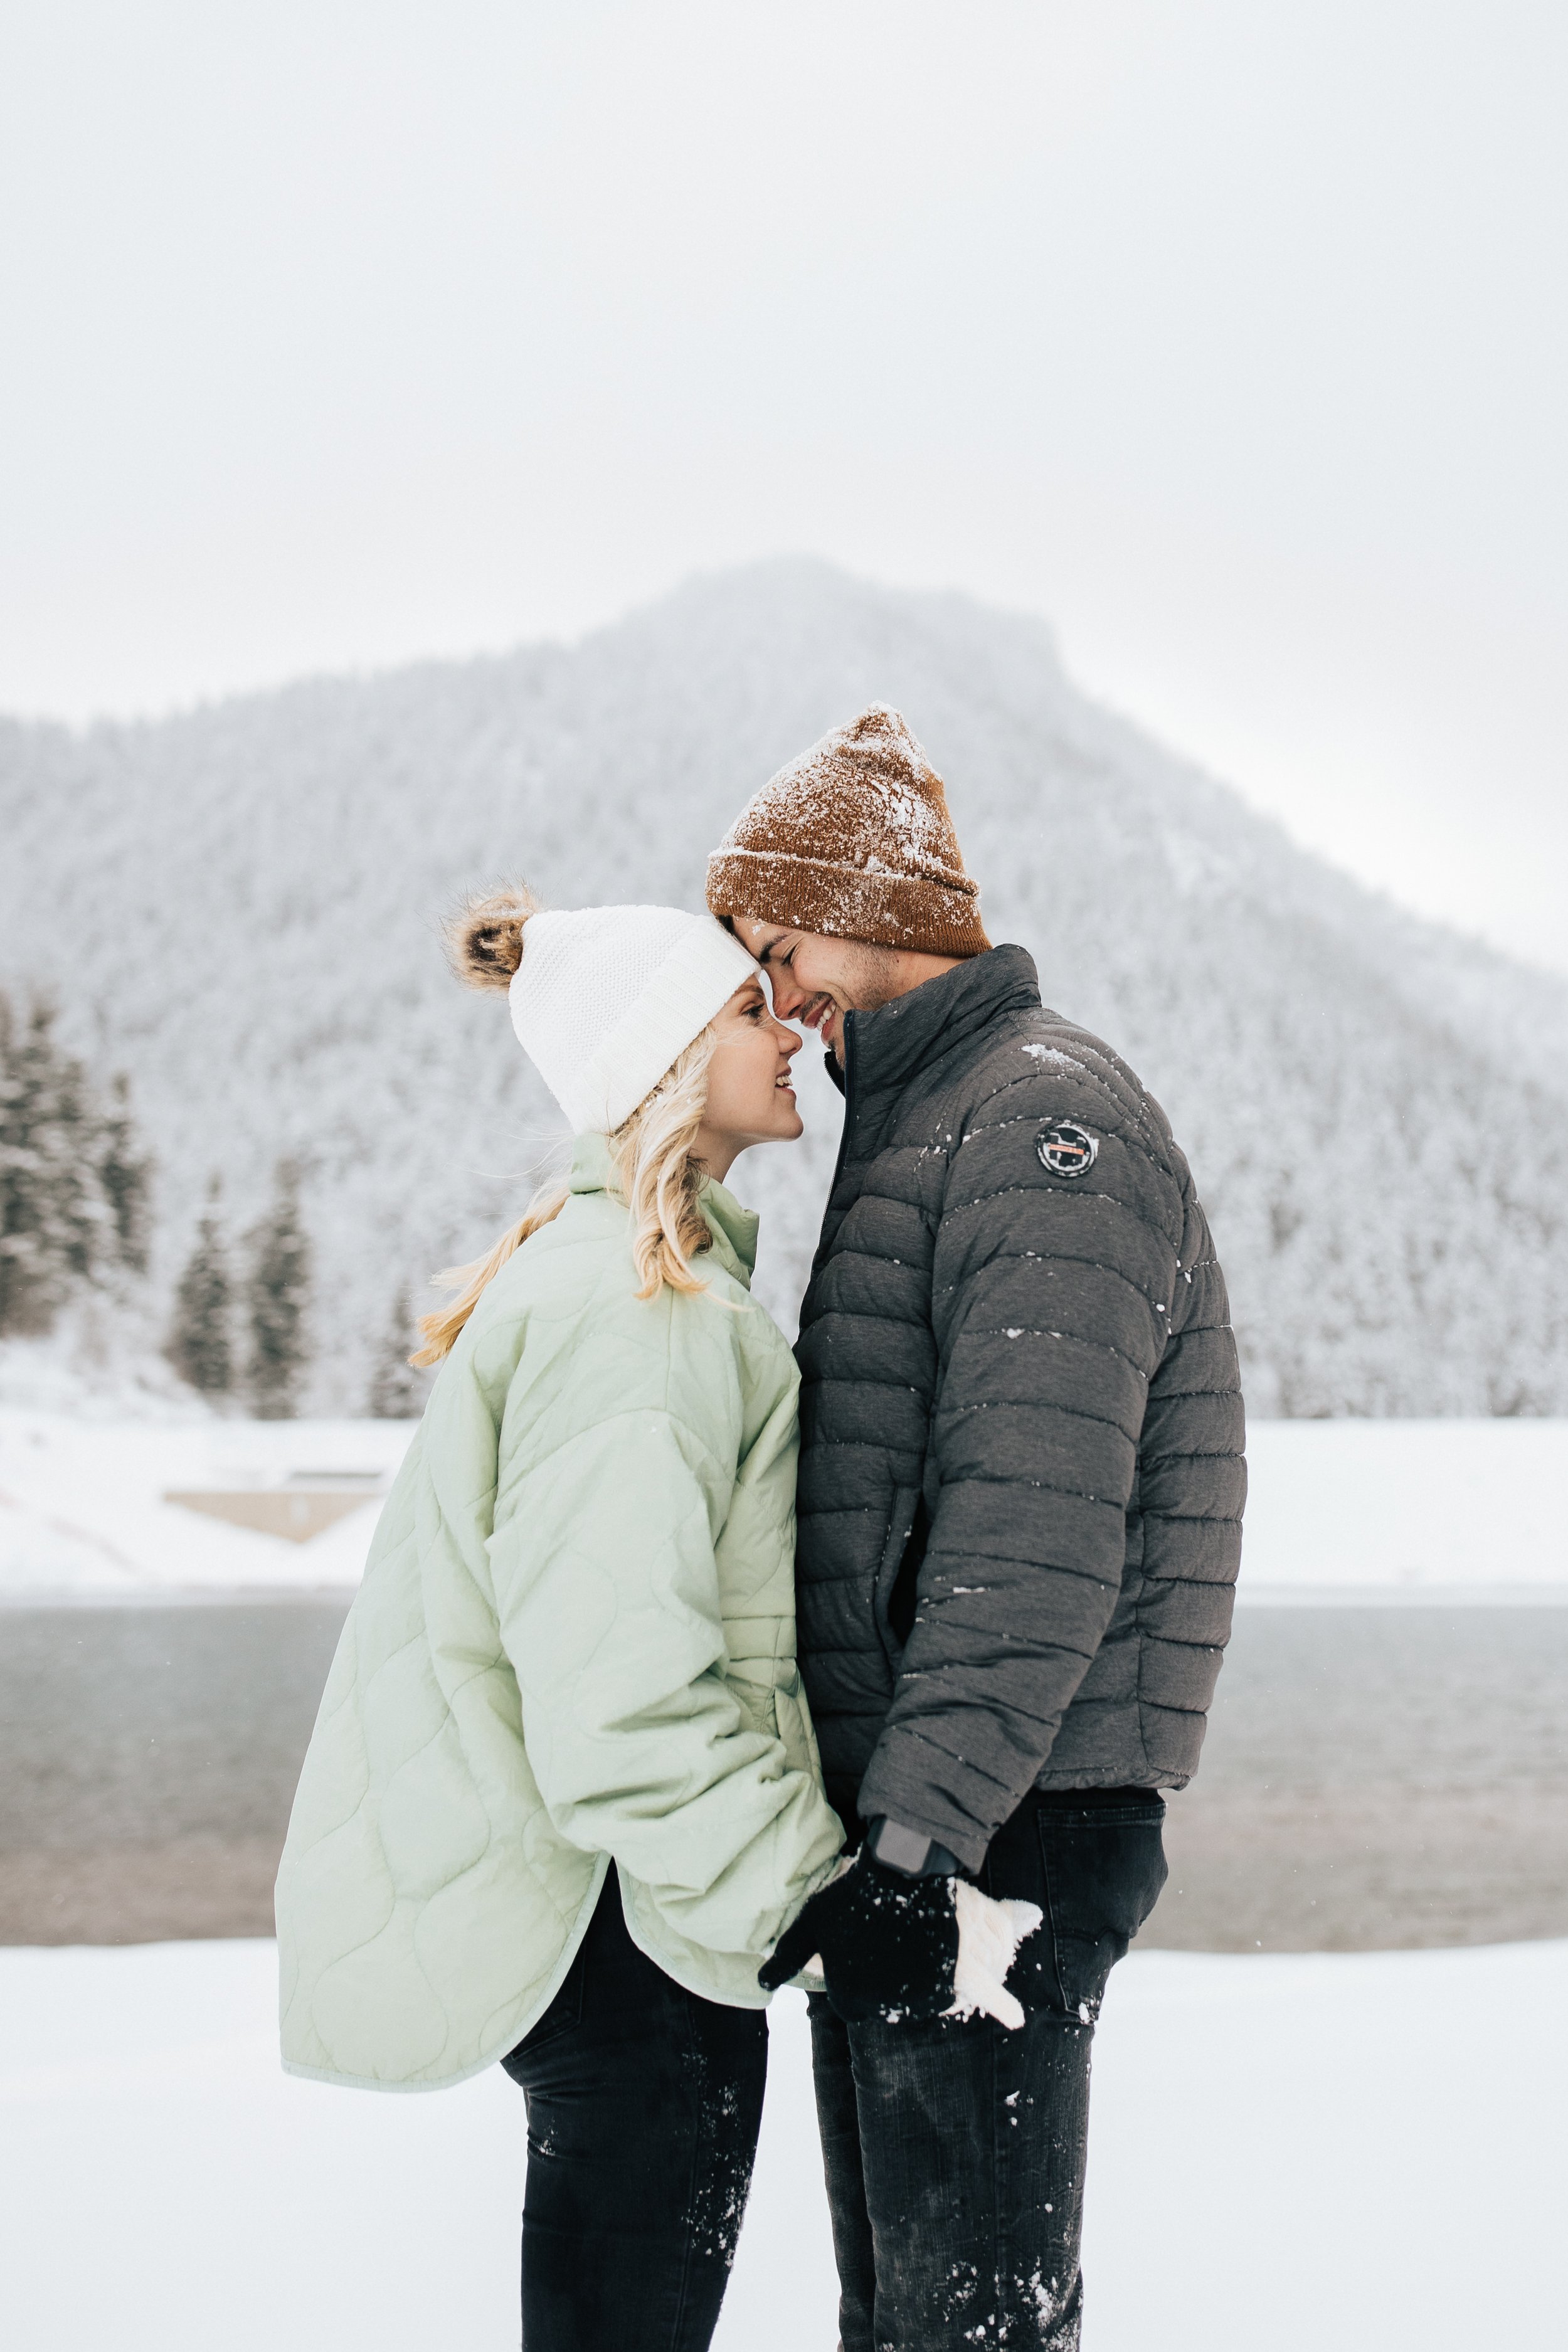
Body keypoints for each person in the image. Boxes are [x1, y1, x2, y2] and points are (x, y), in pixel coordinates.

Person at [275, 884, 1036, 2351]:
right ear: (664, 1059)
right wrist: (811, 1904)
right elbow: (617, 1697)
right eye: (749, 1009)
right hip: (620, 1933)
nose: (793, 1034)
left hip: (599, 1913)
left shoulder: (617, 1286)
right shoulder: (642, 1320)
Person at [706, 706, 1247, 2352]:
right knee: (908, 2322)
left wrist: (916, 1847)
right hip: (932, 1830)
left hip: (993, 1835)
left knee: (971, 2331)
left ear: (863, 908)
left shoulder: (1034, 1122)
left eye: (777, 944)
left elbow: (1033, 1528)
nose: (776, 998)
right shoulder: (923, 1113)